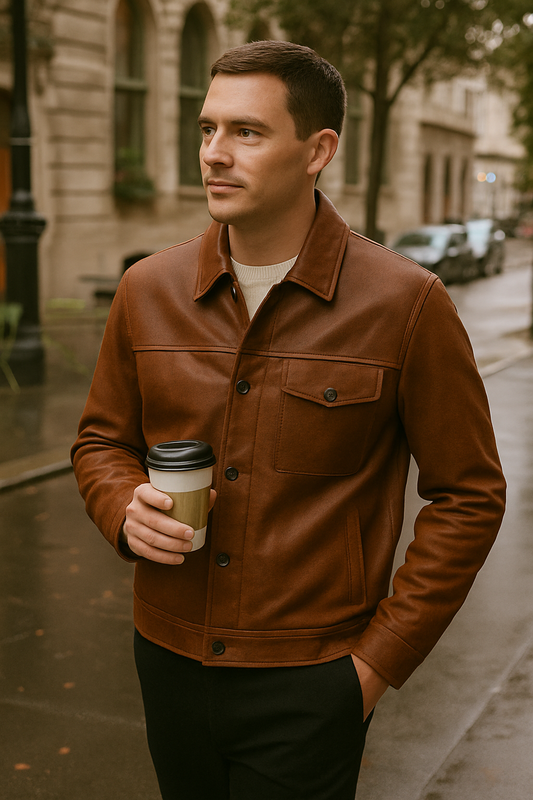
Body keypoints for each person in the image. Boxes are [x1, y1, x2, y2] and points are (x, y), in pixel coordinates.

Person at [71, 40, 506, 800]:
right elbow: (102, 440)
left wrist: (373, 666)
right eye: (208, 128)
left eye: (246, 132)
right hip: (166, 660)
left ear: (318, 151)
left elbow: (468, 495)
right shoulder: (146, 288)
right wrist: (120, 505)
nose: (214, 153)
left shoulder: (406, 304)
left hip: (314, 678)